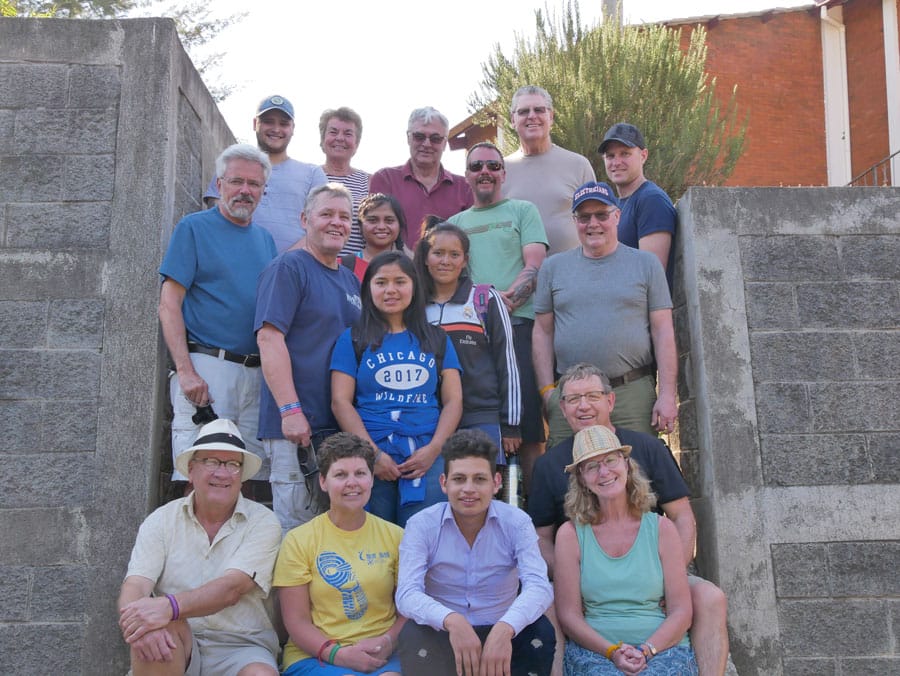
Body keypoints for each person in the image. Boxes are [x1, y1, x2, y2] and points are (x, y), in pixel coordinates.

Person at [529, 363, 729, 676]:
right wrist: (580, 578)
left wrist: (669, 576)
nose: (583, 406)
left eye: (592, 396)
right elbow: (541, 537)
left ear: (610, 401)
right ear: (562, 408)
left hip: (653, 565)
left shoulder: (649, 449)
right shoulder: (548, 465)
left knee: (710, 596)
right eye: (573, 399)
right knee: (546, 602)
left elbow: (683, 518)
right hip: (583, 567)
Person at [118, 419, 282, 676]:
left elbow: (231, 589)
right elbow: (136, 585)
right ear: (191, 471)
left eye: (232, 464)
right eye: (211, 462)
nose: (222, 473)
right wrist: (138, 626)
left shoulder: (263, 522)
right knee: (159, 637)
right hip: (179, 637)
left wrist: (167, 607)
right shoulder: (161, 520)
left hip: (241, 646)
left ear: (242, 476)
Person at [159, 143, 276, 487]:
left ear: (263, 191)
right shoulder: (193, 228)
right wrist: (185, 372)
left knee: (251, 475)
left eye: (253, 184)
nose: (245, 191)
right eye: (237, 181)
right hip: (208, 371)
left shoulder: (265, 240)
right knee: (198, 472)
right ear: (220, 183)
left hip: (256, 375)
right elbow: (169, 305)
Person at [395, 430, 555, 676]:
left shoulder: (516, 522)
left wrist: (505, 627)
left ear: (496, 483)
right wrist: (452, 620)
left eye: (479, 479)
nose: (468, 489)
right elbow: (407, 593)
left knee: (541, 632)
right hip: (445, 632)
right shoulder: (422, 524)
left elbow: (539, 586)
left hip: (502, 631)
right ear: (443, 483)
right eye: (459, 479)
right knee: (412, 635)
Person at [533, 181, 677, 441]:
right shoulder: (552, 268)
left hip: (630, 392)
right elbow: (542, 332)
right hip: (572, 396)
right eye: (584, 217)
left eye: (601, 215)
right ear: (574, 221)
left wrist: (667, 395)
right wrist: (547, 391)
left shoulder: (646, 264)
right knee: (566, 474)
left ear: (617, 216)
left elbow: (663, 330)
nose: (593, 223)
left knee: (637, 473)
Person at [255, 183, 362, 534]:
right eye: (326, 214)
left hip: (335, 426)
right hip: (296, 427)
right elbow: (269, 338)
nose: (336, 223)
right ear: (304, 220)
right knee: (296, 530)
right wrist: (290, 410)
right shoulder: (288, 268)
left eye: (344, 217)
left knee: (329, 531)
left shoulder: (349, 280)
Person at [330, 251, 463, 526]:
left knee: (425, 541)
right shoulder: (352, 338)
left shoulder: (436, 338)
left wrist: (435, 448)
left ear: (414, 286)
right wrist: (373, 455)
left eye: (400, 281)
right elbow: (340, 402)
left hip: (426, 455)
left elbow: (454, 401)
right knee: (374, 542)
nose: (391, 290)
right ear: (368, 289)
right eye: (381, 283)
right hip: (368, 458)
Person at [554, 425, 697, 675]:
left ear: (627, 465)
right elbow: (569, 616)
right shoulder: (570, 534)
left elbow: (681, 611)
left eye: (610, 460)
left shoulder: (661, 529)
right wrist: (612, 652)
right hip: (596, 650)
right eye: (592, 466)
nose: (604, 472)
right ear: (582, 480)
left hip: (660, 648)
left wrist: (645, 650)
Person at [448, 141, 548, 491]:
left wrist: (501, 302)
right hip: (469, 335)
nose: (485, 172)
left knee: (529, 429)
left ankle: (535, 518)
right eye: (476, 167)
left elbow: (535, 264)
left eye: (492, 165)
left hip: (519, 326)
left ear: (503, 173)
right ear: (467, 176)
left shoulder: (523, 210)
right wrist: (485, 305)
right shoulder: (455, 223)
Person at [273, 433, 404, 676]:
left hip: (382, 654)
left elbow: (408, 612)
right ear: (323, 481)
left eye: (360, 473)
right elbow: (296, 622)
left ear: (372, 479)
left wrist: (386, 643)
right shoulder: (299, 540)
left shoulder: (396, 536)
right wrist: (339, 655)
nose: (352, 483)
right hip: (316, 654)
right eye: (340, 475)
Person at [415, 222, 521, 459]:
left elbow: (508, 363)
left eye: (454, 255)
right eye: (438, 253)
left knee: (482, 489)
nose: (445, 261)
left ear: (465, 260)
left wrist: (511, 423)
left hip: (481, 416)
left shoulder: (484, 299)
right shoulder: (414, 306)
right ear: (425, 257)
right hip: (430, 420)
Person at [205, 95, 327, 253]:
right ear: (255, 123)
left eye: (284, 124)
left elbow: (323, 224)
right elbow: (214, 220)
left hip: (293, 271)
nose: (276, 129)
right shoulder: (231, 166)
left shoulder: (313, 174)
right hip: (235, 265)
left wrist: (280, 265)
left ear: (293, 128)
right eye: (268, 121)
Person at [502, 85, 596, 255]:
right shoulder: (500, 171)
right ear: (513, 120)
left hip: (571, 276)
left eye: (539, 110)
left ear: (551, 117)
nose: (532, 116)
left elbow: (595, 225)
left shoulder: (578, 165)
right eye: (523, 111)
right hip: (519, 278)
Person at [369, 106, 472, 249]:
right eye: (419, 136)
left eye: (435, 138)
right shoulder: (385, 179)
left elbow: (470, 239)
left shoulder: (464, 188)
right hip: (396, 269)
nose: (426, 144)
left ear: (444, 143)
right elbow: (374, 232)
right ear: (408, 137)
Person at [599, 122, 677, 291]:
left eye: (625, 154)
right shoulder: (618, 205)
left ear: (643, 155)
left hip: (637, 314)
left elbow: (651, 276)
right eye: (610, 155)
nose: (616, 162)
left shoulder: (651, 200)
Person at [319, 107, 370, 255]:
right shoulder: (309, 176)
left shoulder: (369, 182)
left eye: (348, 134)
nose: (340, 138)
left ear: (357, 143)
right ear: (322, 140)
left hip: (356, 269)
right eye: (333, 132)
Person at [341, 193, 408, 283]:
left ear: (399, 225)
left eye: (389, 220)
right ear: (360, 226)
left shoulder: (409, 267)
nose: (381, 226)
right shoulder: (343, 266)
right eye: (373, 220)